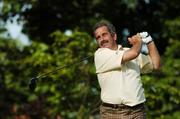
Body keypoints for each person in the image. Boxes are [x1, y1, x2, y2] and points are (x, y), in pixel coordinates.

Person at [93, 20, 160, 119]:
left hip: (138, 111)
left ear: (114, 36)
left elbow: (156, 64)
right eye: (98, 37)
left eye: (104, 35)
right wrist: (138, 42)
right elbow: (133, 53)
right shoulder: (100, 55)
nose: (102, 39)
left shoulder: (128, 51)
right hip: (112, 113)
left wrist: (149, 41)